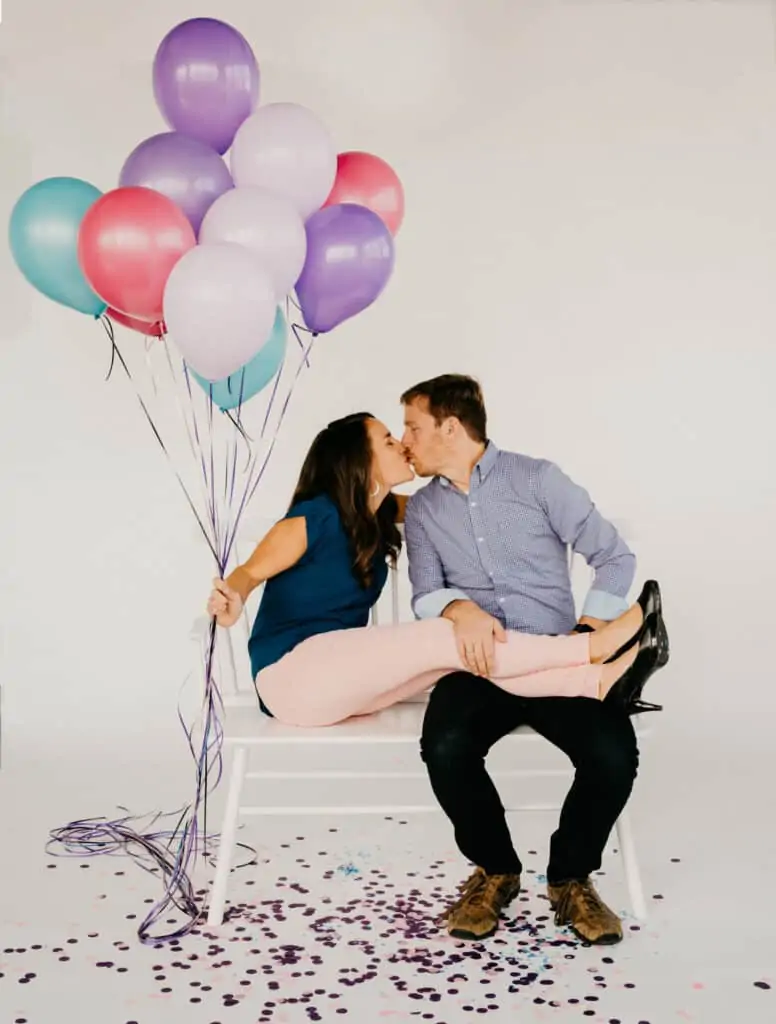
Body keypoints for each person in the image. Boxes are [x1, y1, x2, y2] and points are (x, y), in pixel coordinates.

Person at [400, 373, 664, 947]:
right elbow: (424, 592)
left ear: (450, 427)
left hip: (553, 658)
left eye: (413, 427)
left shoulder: (538, 479)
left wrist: (587, 632)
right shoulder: (422, 511)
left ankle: (569, 877)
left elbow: (614, 558)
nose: (406, 441)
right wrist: (459, 608)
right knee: (444, 746)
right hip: (479, 666)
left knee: (613, 755)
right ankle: (495, 869)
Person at [207, 413, 667, 733]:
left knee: (460, 656)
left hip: (339, 686)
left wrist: (521, 495)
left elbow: (452, 504)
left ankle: (597, 683)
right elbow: (248, 574)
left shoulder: (382, 516)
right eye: (388, 440)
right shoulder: (313, 518)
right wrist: (233, 598)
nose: (402, 444)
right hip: (291, 677)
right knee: (447, 634)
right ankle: (592, 646)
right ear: (358, 460)